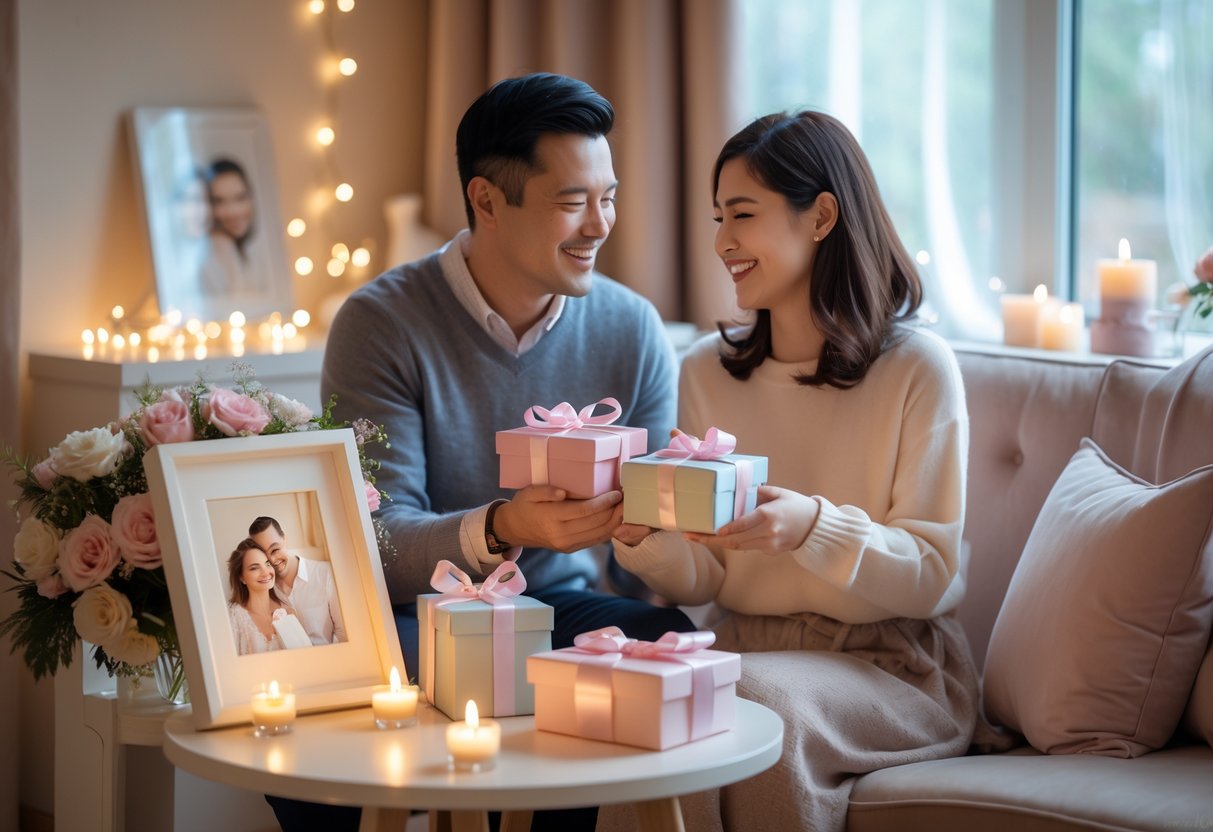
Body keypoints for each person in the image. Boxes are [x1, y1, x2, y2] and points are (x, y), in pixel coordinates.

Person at [292, 73, 693, 832]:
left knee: (654, 648)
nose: (601, 225)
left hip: (556, 605)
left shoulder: (631, 329)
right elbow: (375, 543)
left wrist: (655, 528)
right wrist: (505, 527)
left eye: (607, 197)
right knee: (329, 691)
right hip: (413, 616)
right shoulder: (382, 325)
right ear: (486, 201)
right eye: (573, 202)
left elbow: (648, 550)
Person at [603, 111, 982, 832]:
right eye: (717, 218)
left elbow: (932, 574)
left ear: (822, 218)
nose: (721, 243)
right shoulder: (705, 374)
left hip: (889, 666)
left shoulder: (916, 370)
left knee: (753, 711)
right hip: (743, 648)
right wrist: (643, 539)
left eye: (741, 215)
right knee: (662, 704)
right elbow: (708, 577)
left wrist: (811, 526)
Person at [248, 515, 346, 646]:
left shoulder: (326, 574)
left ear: (285, 539)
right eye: (264, 555)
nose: (272, 560)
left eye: (275, 550)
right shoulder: (264, 590)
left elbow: (344, 635)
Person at [226, 538, 303, 656]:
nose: (266, 572)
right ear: (242, 577)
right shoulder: (235, 617)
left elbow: (303, 658)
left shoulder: (288, 611)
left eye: (267, 564)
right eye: (254, 568)